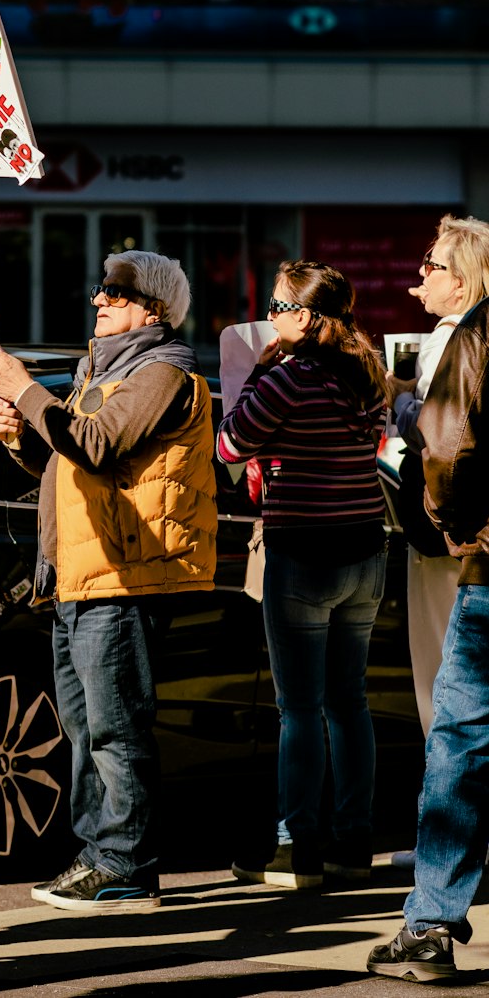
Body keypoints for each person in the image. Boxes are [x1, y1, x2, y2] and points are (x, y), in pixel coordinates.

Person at [0, 249, 217, 911]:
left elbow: (97, 445)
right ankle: (96, 856)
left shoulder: (162, 370)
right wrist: (19, 440)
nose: (99, 300)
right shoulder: (97, 372)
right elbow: (71, 469)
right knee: (85, 729)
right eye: (101, 289)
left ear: (155, 310)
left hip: (122, 575)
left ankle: (125, 863)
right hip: (78, 575)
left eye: (117, 292)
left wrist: (25, 388)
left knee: (114, 728)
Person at [218, 260, 388, 890]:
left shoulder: (287, 380)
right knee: (350, 704)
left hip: (304, 555)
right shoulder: (367, 377)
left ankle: (298, 848)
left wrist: (258, 375)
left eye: (283, 307)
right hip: (366, 550)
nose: (272, 319)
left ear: (312, 318)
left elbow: (229, 446)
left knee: (300, 709)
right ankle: (354, 840)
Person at [366, 282, 489, 984]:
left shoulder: (478, 331)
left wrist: (450, 521)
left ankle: (433, 923)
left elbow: (447, 444)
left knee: (462, 740)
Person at [385, 218, 489, 741]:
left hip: (450, 539)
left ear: (464, 284)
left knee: (440, 687)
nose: (421, 272)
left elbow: (436, 436)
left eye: (435, 265)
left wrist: (399, 397)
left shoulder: (449, 338)